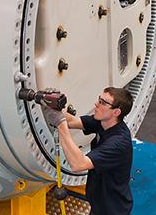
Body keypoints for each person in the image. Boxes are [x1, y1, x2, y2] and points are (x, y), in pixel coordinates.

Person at [43, 87, 134, 215]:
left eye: (103, 102)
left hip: (112, 209)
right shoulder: (103, 122)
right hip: (99, 203)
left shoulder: (119, 143)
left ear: (116, 112)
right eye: (99, 99)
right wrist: (52, 106)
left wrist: (60, 124)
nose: (96, 104)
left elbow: (78, 164)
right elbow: (73, 121)